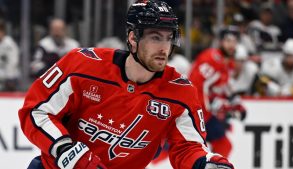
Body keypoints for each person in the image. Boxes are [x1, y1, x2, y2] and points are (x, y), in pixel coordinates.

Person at [18, 1, 234, 169]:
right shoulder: (82, 65)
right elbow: (36, 111)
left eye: (169, 38)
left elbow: (187, 147)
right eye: (155, 37)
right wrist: (65, 149)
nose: (164, 48)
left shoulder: (181, 92)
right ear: (132, 38)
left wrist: (205, 163)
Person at [189, 26, 246, 158]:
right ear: (220, 42)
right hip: (195, 112)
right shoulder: (211, 58)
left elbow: (225, 87)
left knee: (223, 145)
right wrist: (212, 105)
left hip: (205, 113)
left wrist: (235, 103)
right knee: (202, 149)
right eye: (228, 40)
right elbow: (196, 85)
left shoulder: (227, 63)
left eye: (234, 41)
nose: (232, 45)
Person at [0, 19, 20, 91]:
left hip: (9, 80)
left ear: (2, 31)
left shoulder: (9, 43)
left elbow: (13, 62)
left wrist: (9, 79)